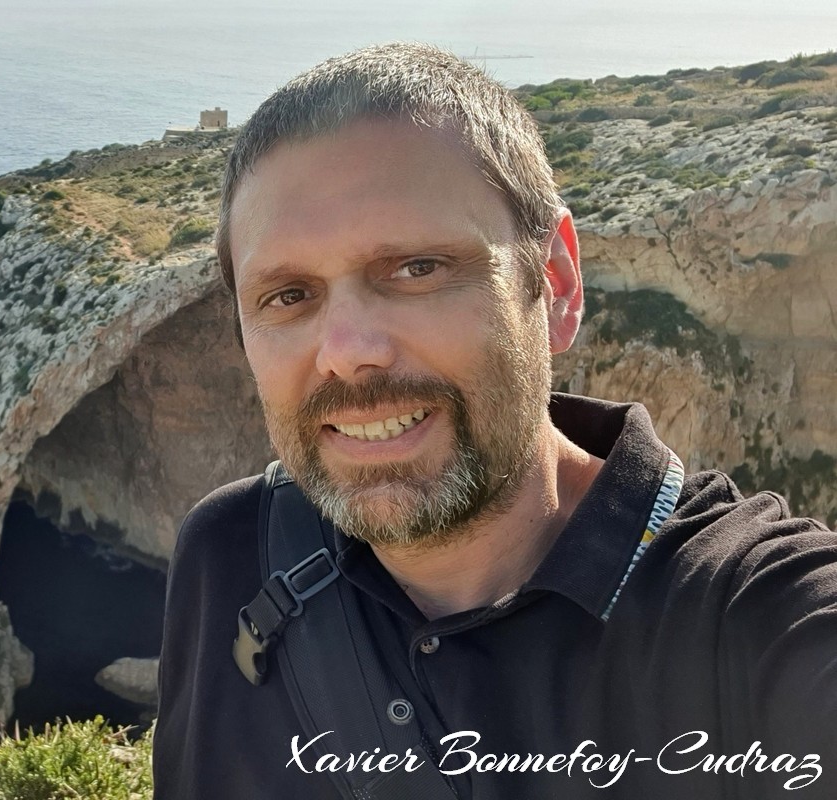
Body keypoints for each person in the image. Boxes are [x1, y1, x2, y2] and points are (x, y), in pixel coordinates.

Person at [153, 42, 837, 799]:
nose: (348, 353)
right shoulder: (230, 557)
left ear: (556, 284)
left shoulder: (753, 617)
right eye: (288, 296)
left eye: (417, 269)